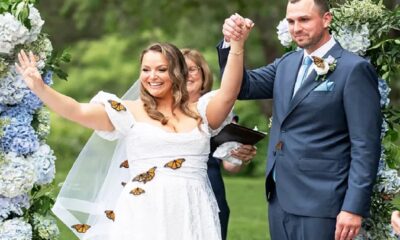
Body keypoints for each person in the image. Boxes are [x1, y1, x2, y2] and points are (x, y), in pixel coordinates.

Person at [16, 34, 253, 239]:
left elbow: (230, 92)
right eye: (146, 69)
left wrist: (237, 46)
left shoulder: (201, 112)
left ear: (178, 72)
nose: (153, 76)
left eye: (162, 69)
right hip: (143, 212)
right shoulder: (127, 112)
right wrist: (39, 87)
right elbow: (76, 110)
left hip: (193, 209)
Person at [217, 0, 382, 239]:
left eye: (304, 19)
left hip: (323, 204)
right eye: (291, 21)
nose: (296, 28)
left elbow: (365, 145)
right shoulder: (286, 63)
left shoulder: (353, 69)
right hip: (279, 199)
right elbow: (242, 87)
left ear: (327, 19)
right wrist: (232, 44)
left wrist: (353, 207)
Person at [182, 48, 257, 240]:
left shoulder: (220, 109)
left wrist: (241, 152)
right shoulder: (160, 112)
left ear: (203, 73)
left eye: (192, 69)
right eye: (180, 69)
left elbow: (231, 166)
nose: (186, 75)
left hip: (210, 190)